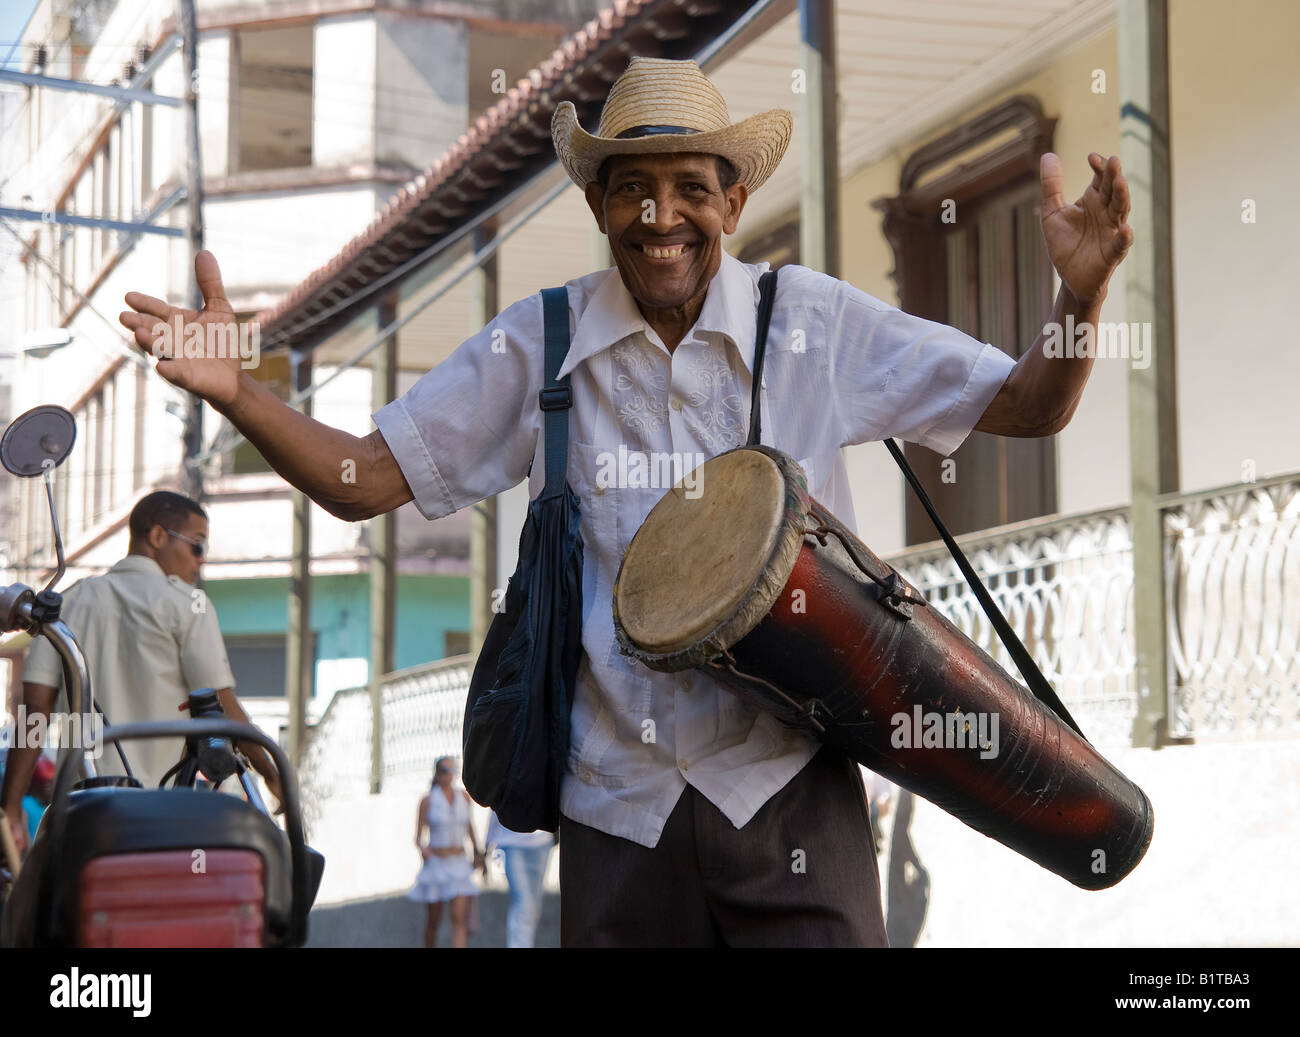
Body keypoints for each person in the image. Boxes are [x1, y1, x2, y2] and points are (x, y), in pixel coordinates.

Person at [117, 57, 1132, 946]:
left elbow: (1030, 405)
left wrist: (1075, 299)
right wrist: (241, 392)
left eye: (691, 186)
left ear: (732, 204)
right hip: (615, 819)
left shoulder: (811, 321)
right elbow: (365, 480)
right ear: (599, 204)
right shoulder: (536, 343)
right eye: (631, 189)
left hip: (790, 806)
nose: (661, 216)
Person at [1, 491, 284, 855]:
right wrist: (273, 776)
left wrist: (10, 810)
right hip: (161, 817)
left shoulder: (67, 603)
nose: (201, 560)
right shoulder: (188, 605)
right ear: (157, 537)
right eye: (197, 546)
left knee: (41, 906)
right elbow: (223, 707)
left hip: (80, 819)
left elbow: (34, 714)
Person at [410, 757, 483, 948]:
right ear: (437, 773)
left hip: (458, 861)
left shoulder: (464, 798)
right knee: (434, 919)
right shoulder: (428, 801)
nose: (449, 774)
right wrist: (423, 849)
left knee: (459, 917)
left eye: (452, 770)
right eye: (444, 770)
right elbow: (418, 836)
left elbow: (470, 827)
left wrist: (477, 851)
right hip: (437, 862)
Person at [485, 809, 555, 948]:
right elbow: (495, 801)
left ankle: (526, 942)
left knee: (534, 904)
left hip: (541, 843)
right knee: (523, 901)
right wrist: (487, 844)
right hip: (510, 844)